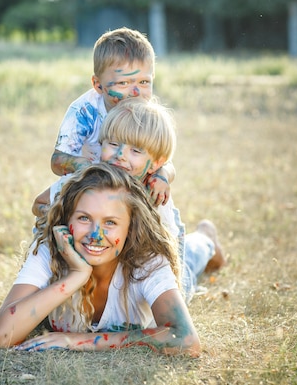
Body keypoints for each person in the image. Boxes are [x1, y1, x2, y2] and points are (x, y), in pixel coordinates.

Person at [0, 163, 201, 356]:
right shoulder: (51, 250)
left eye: (110, 222)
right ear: (66, 218)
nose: (95, 235)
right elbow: (3, 336)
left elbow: (186, 340)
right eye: (84, 218)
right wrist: (76, 275)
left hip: (179, 276)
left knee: (192, 259)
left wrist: (78, 340)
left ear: (130, 228)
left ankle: (206, 237)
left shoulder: (147, 263)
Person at [36, 97, 226, 301]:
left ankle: (206, 239)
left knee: (185, 279)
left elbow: (166, 253)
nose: (120, 155)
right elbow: (39, 204)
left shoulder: (152, 193)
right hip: (107, 258)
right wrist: (62, 214)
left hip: (157, 252)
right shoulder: (87, 181)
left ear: (155, 164)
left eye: (135, 151)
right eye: (113, 144)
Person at [44, 27, 175, 213]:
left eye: (144, 82)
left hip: (134, 185)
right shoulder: (83, 112)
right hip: (91, 185)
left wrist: (162, 176)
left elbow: (163, 159)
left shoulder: (148, 114)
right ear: (98, 85)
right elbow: (57, 161)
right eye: (123, 83)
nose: (136, 93)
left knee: (158, 203)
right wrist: (87, 168)